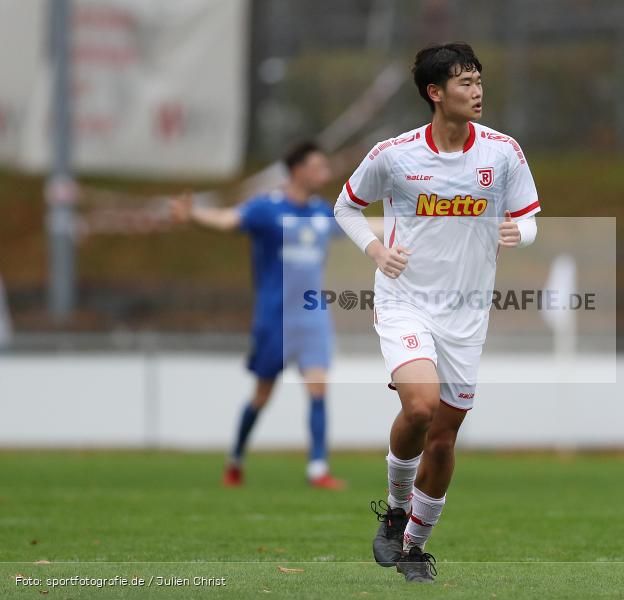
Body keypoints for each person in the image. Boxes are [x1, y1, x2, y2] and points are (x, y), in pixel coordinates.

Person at [333, 42, 540, 583]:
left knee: (445, 437)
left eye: (479, 81)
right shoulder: (395, 155)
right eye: (465, 83)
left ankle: (413, 547)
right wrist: (378, 250)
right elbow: (345, 205)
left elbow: (529, 215)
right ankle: (396, 507)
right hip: (406, 302)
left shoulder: (502, 153)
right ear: (435, 93)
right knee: (421, 408)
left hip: (467, 314)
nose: (477, 91)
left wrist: (523, 231)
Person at [169, 141, 359, 490]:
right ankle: (236, 457)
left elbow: (366, 231)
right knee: (261, 396)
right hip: (275, 318)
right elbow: (228, 219)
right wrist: (193, 215)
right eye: (319, 166)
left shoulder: (322, 213)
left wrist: (418, 224)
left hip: (312, 317)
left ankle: (318, 469)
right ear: (298, 169)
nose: (326, 173)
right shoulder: (266, 209)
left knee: (318, 389)